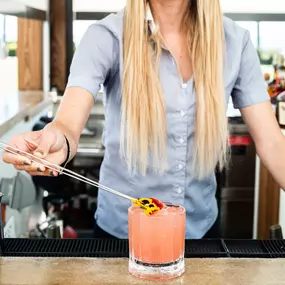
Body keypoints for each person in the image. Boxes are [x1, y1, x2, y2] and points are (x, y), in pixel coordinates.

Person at [2, 0, 285, 239]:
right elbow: (67, 125)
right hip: (121, 237)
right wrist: (56, 139)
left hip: (200, 234)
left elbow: (272, 142)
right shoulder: (106, 36)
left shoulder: (236, 42)